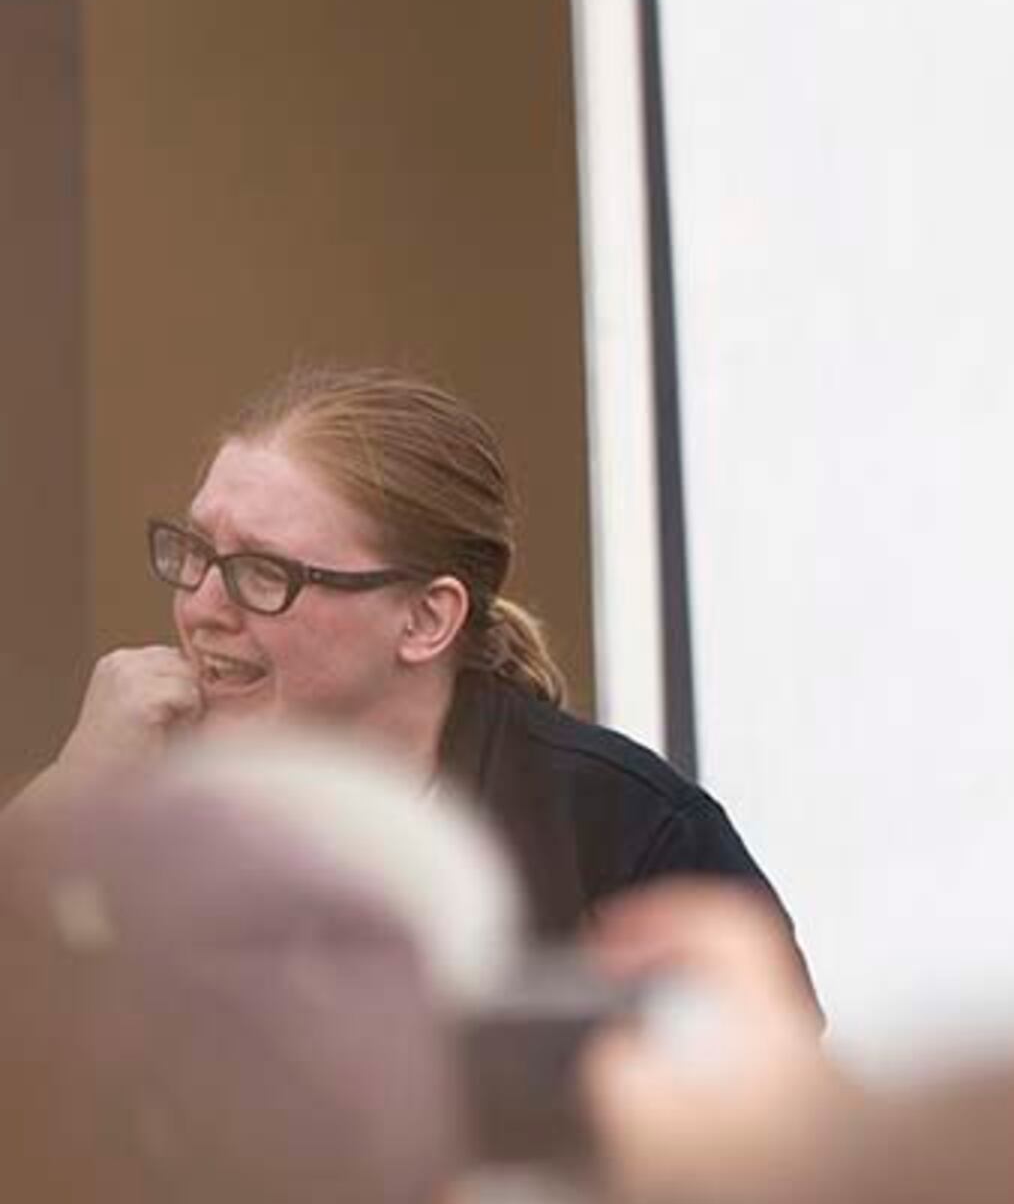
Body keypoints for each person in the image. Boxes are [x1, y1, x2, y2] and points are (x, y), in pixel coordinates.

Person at [22, 366, 791, 945]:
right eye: (196, 551)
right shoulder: (139, 808)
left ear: (427, 619)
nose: (200, 606)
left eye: (264, 572)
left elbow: (773, 1128)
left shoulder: (629, 832)